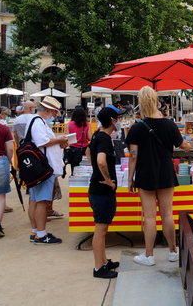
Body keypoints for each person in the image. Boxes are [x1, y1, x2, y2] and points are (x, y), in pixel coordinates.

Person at [125, 87, 189, 266]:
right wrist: (189, 143)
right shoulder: (169, 124)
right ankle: (172, 251)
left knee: (150, 217)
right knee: (167, 213)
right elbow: (184, 146)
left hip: (145, 174)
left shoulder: (137, 128)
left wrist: (130, 179)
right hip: (166, 172)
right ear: (156, 101)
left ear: (141, 103)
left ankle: (149, 255)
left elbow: (133, 157)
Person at [26, 96, 68, 244]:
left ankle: (36, 231)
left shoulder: (38, 122)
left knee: (36, 200)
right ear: (49, 110)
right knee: (42, 201)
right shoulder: (38, 122)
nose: (55, 115)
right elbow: (42, 142)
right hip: (44, 168)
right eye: (55, 112)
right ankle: (41, 235)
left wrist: (59, 142)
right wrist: (60, 140)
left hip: (40, 168)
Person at [87, 107, 121, 278]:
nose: (119, 122)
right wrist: (108, 180)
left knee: (104, 228)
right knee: (100, 229)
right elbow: (101, 161)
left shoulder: (97, 135)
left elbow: (88, 153)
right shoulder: (104, 139)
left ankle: (104, 261)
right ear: (112, 120)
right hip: (101, 190)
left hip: (98, 190)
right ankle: (98, 267)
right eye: (118, 119)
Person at [0, 104, 14, 237]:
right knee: (0, 196)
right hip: (0, 161)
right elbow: (10, 149)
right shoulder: (4, 129)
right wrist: (9, 162)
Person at [66, 107, 90, 176]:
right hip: (84, 150)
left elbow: (66, 138)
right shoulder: (86, 124)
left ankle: (74, 182)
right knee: (84, 168)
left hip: (73, 149)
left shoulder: (69, 124)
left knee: (74, 168)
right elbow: (89, 137)